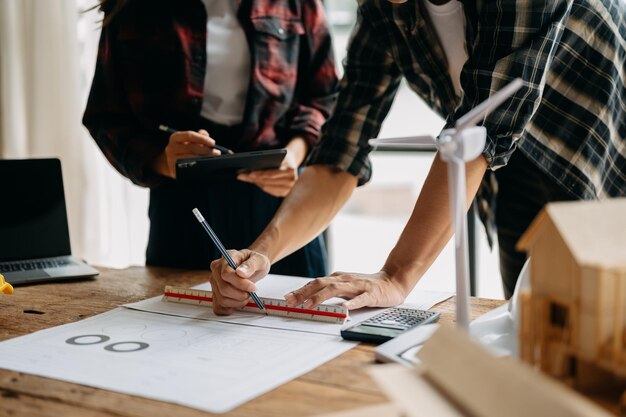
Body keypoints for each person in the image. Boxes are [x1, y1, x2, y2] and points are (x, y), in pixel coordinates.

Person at [209, 0, 626, 314]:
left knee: (604, 329)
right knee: (533, 326)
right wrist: (263, 251)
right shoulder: (382, 10)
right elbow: (340, 150)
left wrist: (396, 276)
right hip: (511, 161)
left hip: (607, 155)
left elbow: (476, 131)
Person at [83, 0, 339, 276]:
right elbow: (106, 115)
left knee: (297, 311)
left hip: (281, 199)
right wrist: (162, 161)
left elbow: (327, 98)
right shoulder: (135, 7)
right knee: (179, 315)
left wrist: (295, 154)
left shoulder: (299, 4)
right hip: (182, 205)